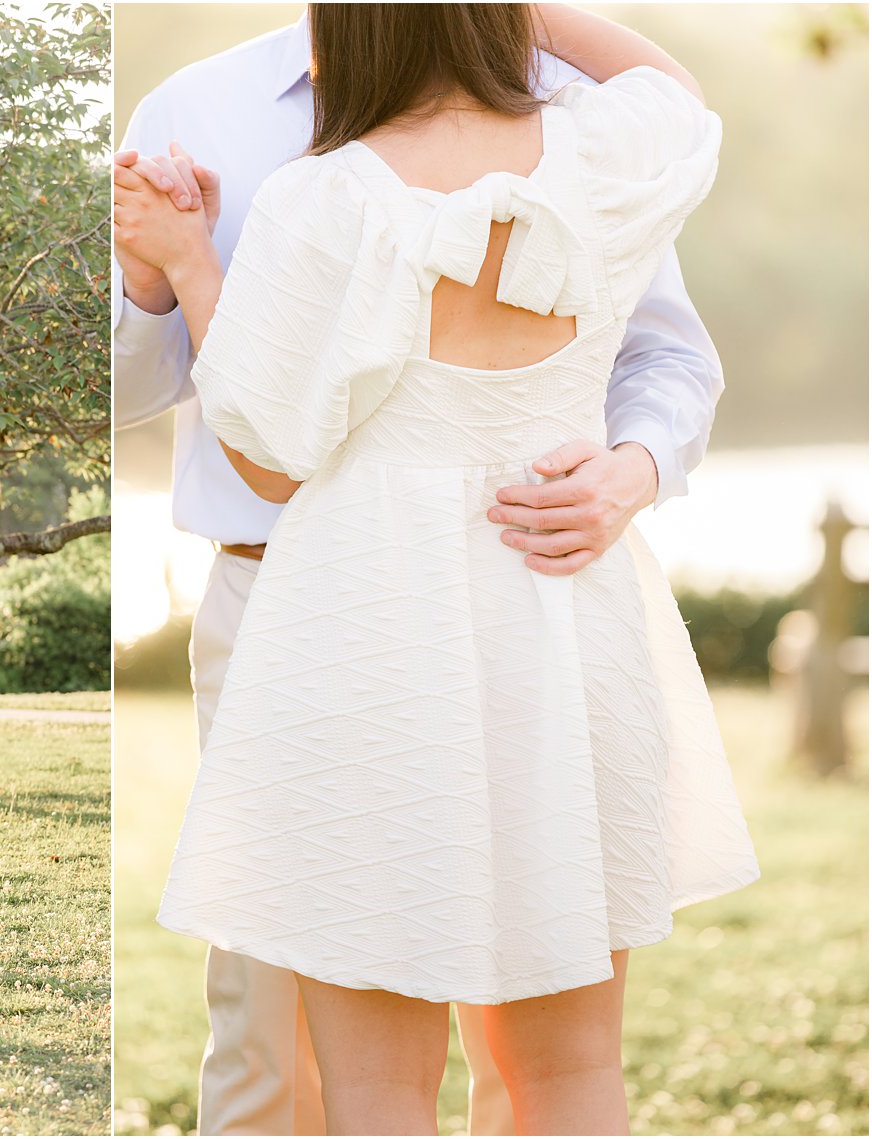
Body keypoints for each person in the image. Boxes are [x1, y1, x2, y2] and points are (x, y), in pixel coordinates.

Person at [126, 4, 761, 1134]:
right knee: (570, 1073)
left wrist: (184, 258)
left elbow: (267, 459)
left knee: (374, 1091)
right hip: (559, 622)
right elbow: (672, 87)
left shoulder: (326, 198)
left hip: (370, 634)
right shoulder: (597, 154)